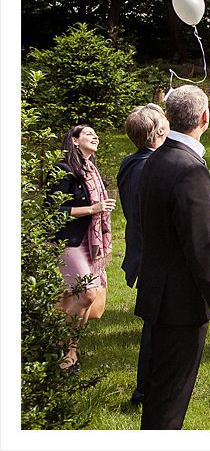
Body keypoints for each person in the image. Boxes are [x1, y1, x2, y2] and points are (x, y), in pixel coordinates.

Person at [136, 85, 210, 429]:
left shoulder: (156, 158)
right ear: (205, 118)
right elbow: (201, 245)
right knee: (170, 400)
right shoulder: (187, 167)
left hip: (160, 292)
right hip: (180, 302)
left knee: (160, 392)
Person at [49, 124, 115, 373]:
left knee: (85, 300)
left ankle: (71, 351)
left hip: (91, 241)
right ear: (75, 141)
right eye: (88, 134)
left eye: (96, 133)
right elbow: (53, 211)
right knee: (86, 294)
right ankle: (60, 346)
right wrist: (92, 209)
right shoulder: (63, 170)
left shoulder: (91, 170)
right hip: (70, 241)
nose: (94, 136)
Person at [117, 104, 168, 405]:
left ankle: (148, 388)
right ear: (159, 132)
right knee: (155, 327)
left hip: (143, 251)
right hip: (153, 255)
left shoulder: (129, 162)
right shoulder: (152, 166)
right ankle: (145, 391)